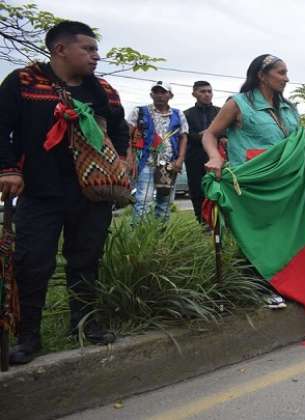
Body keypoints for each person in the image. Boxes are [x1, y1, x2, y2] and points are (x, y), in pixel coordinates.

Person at [0, 21, 128, 364]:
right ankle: (28, 337)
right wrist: (8, 168)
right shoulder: (24, 81)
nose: (95, 56)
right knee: (33, 263)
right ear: (60, 50)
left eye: (95, 49)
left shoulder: (103, 90)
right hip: (39, 193)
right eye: (88, 49)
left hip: (91, 194)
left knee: (86, 260)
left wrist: (121, 165)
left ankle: (86, 325)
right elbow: (2, 127)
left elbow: (119, 130)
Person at [203, 54, 305, 309]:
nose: (287, 78)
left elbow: (293, 140)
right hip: (252, 182)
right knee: (256, 233)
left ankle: (284, 282)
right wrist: (214, 158)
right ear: (261, 75)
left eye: (287, 73)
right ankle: (257, 287)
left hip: (286, 181)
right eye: (281, 73)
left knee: (284, 233)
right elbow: (210, 134)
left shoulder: (289, 108)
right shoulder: (239, 104)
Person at [127, 81, 188, 222]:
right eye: (156, 92)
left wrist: (180, 159)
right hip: (145, 162)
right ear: (151, 94)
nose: (159, 95)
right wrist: (129, 156)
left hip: (168, 164)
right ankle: (140, 236)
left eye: (163, 92)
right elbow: (127, 135)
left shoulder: (178, 114)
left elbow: (184, 137)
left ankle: (161, 235)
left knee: (165, 201)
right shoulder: (140, 111)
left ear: (170, 95)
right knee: (143, 200)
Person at [183, 81, 223, 223]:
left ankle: (220, 222)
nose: (207, 94)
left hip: (218, 157)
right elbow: (185, 136)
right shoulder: (186, 114)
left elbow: (227, 132)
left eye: (209, 91)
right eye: (202, 91)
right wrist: (206, 135)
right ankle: (202, 222)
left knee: (220, 188)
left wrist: (213, 135)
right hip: (194, 157)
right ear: (194, 93)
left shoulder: (220, 112)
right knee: (197, 190)